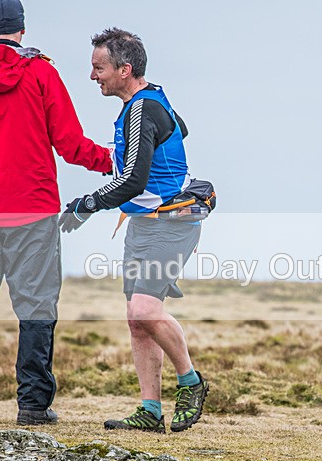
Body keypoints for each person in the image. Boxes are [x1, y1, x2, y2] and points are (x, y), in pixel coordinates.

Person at [0, 0, 112, 425]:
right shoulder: (42, 73)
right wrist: (117, 161)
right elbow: (69, 143)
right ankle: (32, 406)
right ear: (22, 30)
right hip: (34, 213)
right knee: (37, 307)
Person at [59, 28, 208, 434]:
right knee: (136, 319)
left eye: (99, 68)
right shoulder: (144, 102)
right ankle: (149, 410)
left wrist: (86, 205)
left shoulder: (142, 109)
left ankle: (191, 383)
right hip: (143, 224)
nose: (93, 76)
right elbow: (179, 130)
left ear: (125, 70)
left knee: (145, 310)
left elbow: (133, 181)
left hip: (171, 224)